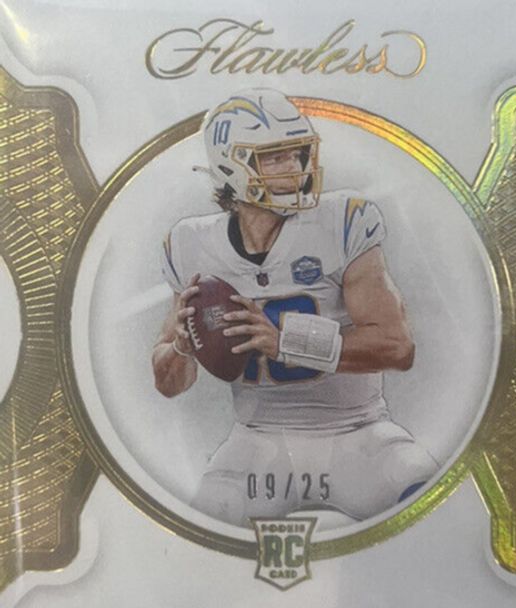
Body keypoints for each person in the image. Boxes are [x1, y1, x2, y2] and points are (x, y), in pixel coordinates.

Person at [152, 88, 437, 526]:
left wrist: (287, 342)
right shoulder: (190, 244)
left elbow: (397, 346)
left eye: (297, 153)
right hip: (258, 441)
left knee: (426, 501)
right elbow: (169, 383)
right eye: (274, 157)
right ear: (230, 166)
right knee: (205, 528)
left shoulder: (343, 221)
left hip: (358, 433)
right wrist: (182, 348)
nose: (295, 167)